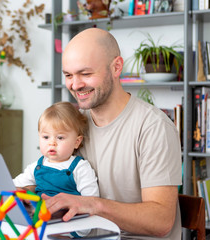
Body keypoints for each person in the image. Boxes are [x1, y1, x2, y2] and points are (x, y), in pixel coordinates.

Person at [42, 28, 182, 239]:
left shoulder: (153, 127)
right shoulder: (75, 125)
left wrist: (93, 205)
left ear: (116, 67)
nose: (75, 85)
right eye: (69, 75)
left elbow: (161, 221)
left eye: (86, 74)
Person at [13, 101, 99, 198]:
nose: (52, 143)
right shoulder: (36, 166)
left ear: (77, 142)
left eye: (60, 138)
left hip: (68, 212)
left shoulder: (80, 168)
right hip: (40, 212)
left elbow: (91, 199)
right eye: (46, 137)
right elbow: (13, 185)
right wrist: (21, 190)